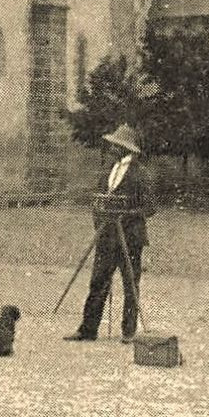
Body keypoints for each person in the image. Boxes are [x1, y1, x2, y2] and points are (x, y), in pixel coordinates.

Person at [66, 124, 153, 344]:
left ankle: (129, 332)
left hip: (130, 238)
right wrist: (100, 221)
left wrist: (126, 215)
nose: (112, 148)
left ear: (127, 148)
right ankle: (88, 330)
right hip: (106, 236)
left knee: (130, 284)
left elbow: (150, 207)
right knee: (98, 281)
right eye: (113, 144)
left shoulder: (141, 174)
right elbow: (98, 200)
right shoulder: (108, 169)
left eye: (117, 145)